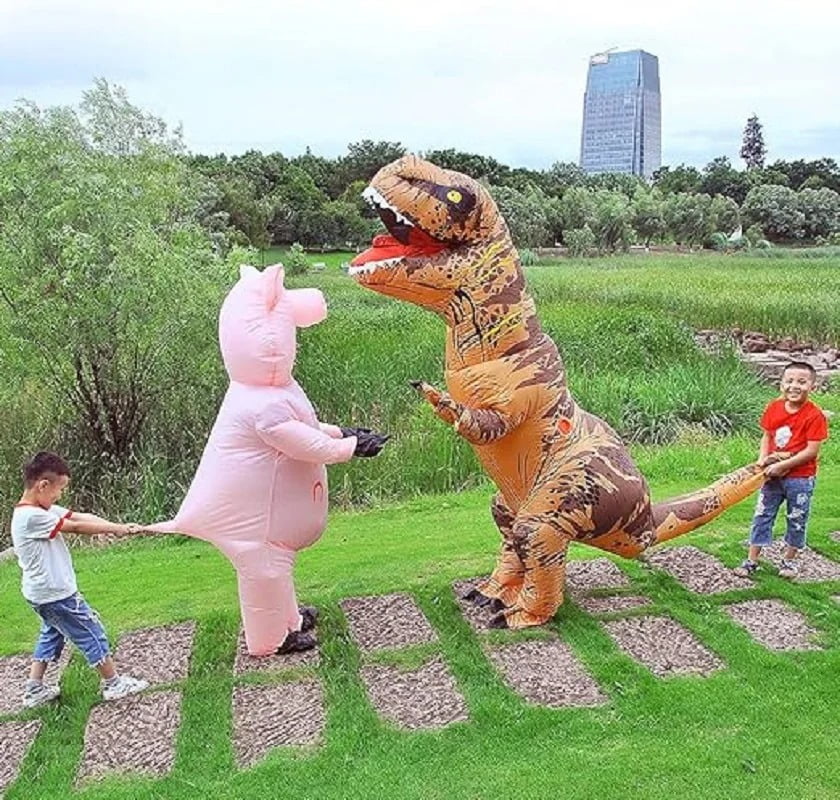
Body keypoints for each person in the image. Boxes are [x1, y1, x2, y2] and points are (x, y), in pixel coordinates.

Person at [11, 451, 150, 708]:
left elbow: (77, 517)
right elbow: (75, 528)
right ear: (43, 485)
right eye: (60, 489)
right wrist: (117, 529)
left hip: (42, 594)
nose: (60, 495)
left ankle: (34, 689)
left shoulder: (41, 509)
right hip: (56, 595)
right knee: (91, 632)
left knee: (51, 634)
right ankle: (113, 684)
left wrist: (117, 527)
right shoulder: (31, 517)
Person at [734, 362, 829, 579]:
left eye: (801, 382)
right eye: (789, 381)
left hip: (800, 479)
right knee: (762, 515)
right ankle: (751, 560)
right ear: (781, 384)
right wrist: (762, 460)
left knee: (797, 518)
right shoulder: (774, 408)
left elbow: (811, 451)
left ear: (812, 386)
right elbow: (767, 436)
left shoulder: (815, 415)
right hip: (771, 476)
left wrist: (782, 466)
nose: (794, 386)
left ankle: (789, 561)